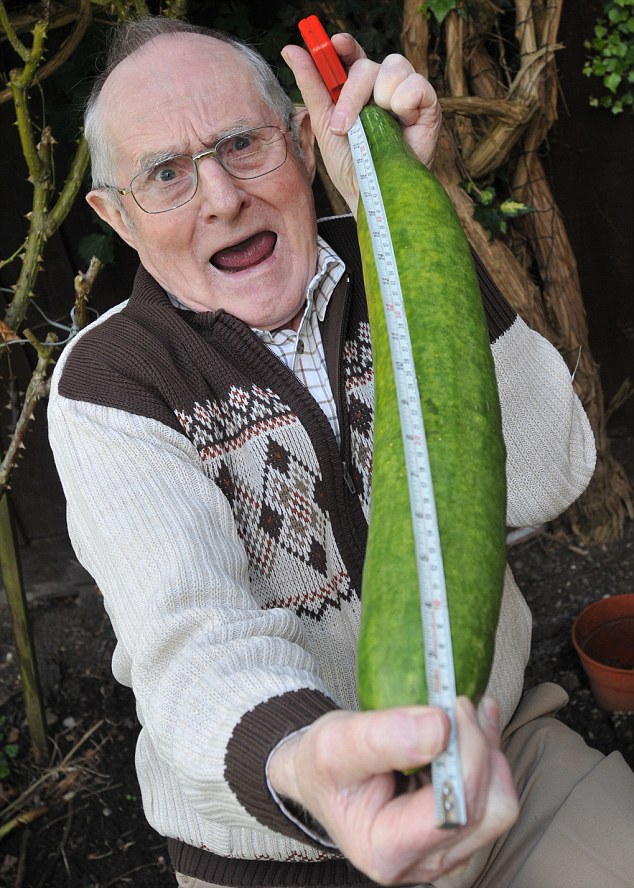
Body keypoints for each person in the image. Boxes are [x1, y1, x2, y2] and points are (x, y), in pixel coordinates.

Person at [47, 15, 633, 888]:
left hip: (501, 766)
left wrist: (403, 205)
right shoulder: (111, 380)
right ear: (116, 217)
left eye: (243, 144)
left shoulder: (386, 258)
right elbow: (190, 643)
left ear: (300, 140)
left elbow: (550, 473)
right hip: (278, 852)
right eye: (166, 173)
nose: (221, 197)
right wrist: (307, 764)